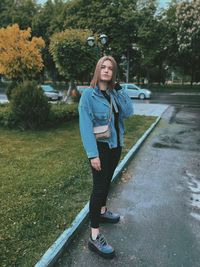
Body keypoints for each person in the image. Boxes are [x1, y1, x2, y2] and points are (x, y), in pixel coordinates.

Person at [78, 55, 133, 259]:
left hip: (115, 146)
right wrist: (93, 155)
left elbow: (128, 112)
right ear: (98, 70)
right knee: (99, 188)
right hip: (99, 148)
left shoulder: (114, 93)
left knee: (107, 182)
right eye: (103, 67)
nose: (107, 70)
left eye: (110, 68)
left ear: (113, 73)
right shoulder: (88, 96)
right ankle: (94, 236)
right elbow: (85, 128)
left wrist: (120, 90)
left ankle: (102, 211)